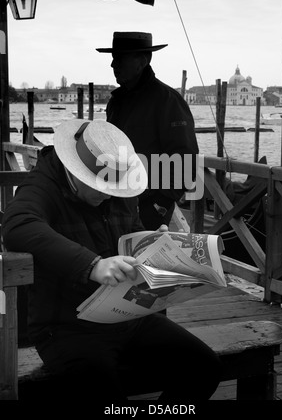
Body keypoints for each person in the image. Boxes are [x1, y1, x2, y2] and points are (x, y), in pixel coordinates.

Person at [2, 119, 222, 403]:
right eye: (102, 186)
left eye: (115, 187)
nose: (109, 194)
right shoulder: (42, 186)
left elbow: (130, 232)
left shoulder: (119, 189)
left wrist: (153, 244)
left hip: (128, 317)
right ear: (76, 172)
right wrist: (93, 265)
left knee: (204, 368)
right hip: (66, 327)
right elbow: (18, 225)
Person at [96, 31, 199, 230]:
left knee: (144, 258)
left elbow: (186, 160)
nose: (113, 65)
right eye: (113, 58)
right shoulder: (116, 102)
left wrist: (160, 203)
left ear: (142, 61)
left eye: (119, 59)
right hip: (113, 200)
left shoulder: (168, 101)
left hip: (148, 204)